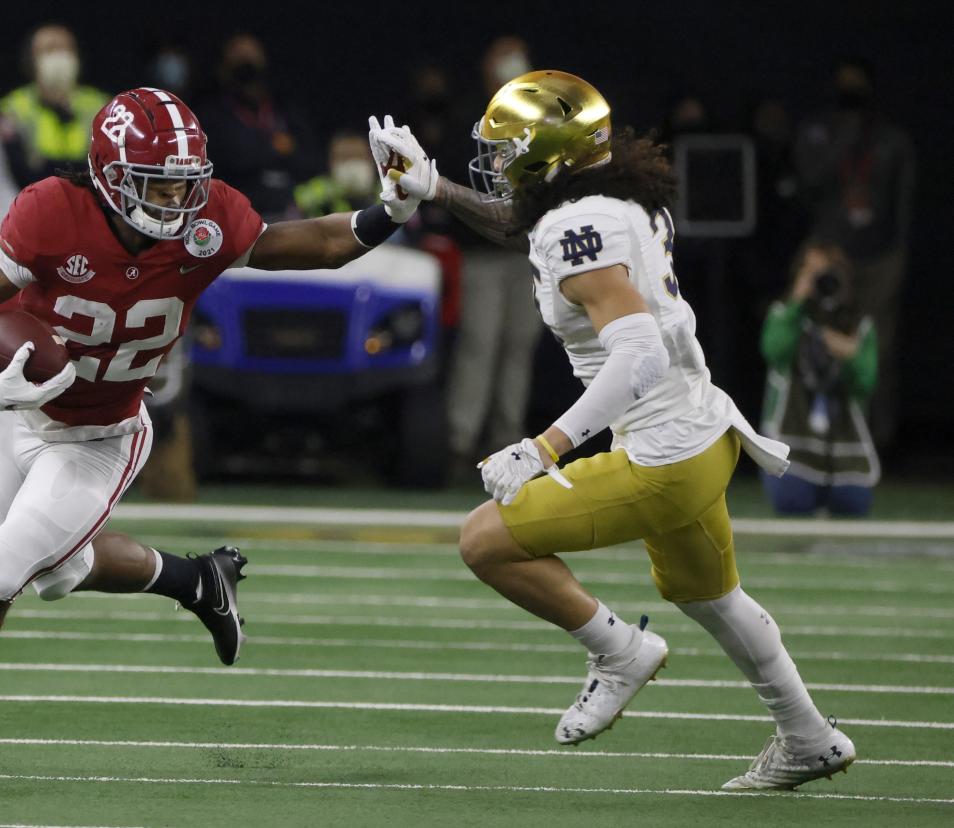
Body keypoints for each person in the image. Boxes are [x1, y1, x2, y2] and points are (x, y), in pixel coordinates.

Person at [0, 86, 414, 772]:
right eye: (157, 188)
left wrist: (390, 210)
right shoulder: (51, 212)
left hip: (104, 435)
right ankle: (198, 580)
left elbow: (316, 242)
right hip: (26, 418)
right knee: (60, 570)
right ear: (109, 175)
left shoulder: (209, 221)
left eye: (185, 185)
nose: (177, 204)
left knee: (0, 572)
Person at [370, 69, 855, 790]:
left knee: (483, 540)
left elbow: (637, 351)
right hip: (702, 432)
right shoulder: (603, 197)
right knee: (711, 597)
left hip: (664, 451)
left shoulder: (577, 222)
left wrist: (543, 448)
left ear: (551, 155)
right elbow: (522, 224)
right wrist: (434, 189)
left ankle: (618, 651)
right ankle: (809, 736)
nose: (498, 165)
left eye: (509, 151)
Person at [794, 57, 914, 451]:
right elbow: (807, 184)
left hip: (878, 255)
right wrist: (844, 140)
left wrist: (897, 253)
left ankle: (876, 440)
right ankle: (810, 435)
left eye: (857, 84)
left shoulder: (891, 139)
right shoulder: (817, 131)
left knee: (875, 344)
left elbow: (903, 204)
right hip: (829, 249)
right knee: (814, 337)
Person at [441, 37, 543, 477]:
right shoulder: (471, 117)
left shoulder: (541, 118)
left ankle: (508, 441)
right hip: (481, 252)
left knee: (520, 344)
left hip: (526, 252)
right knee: (479, 344)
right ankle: (460, 443)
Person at [760, 242, 878, 515]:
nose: (820, 279)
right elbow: (774, 350)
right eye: (811, 271)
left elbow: (867, 382)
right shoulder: (785, 315)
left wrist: (851, 355)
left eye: (827, 272)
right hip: (793, 438)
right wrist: (796, 303)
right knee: (792, 503)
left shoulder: (859, 325)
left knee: (852, 507)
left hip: (844, 442)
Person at [195, 33, 318, 220]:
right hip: (237, 213)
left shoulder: (284, 111)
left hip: (290, 209)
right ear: (224, 66)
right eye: (238, 57)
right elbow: (225, 161)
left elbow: (308, 160)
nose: (246, 63)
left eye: (251, 57)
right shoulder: (212, 116)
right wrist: (274, 150)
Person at [0, 24, 110, 190]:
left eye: (66, 49)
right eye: (49, 49)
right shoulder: (13, 108)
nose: (59, 57)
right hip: (31, 196)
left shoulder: (101, 106)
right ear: (32, 59)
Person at [293, 131, 379, 218]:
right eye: (345, 157)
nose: (351, 165)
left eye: (358, 156)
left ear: (371, 160)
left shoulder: (386, 190)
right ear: (331, 162)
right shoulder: (317, 191)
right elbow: (300, 201)